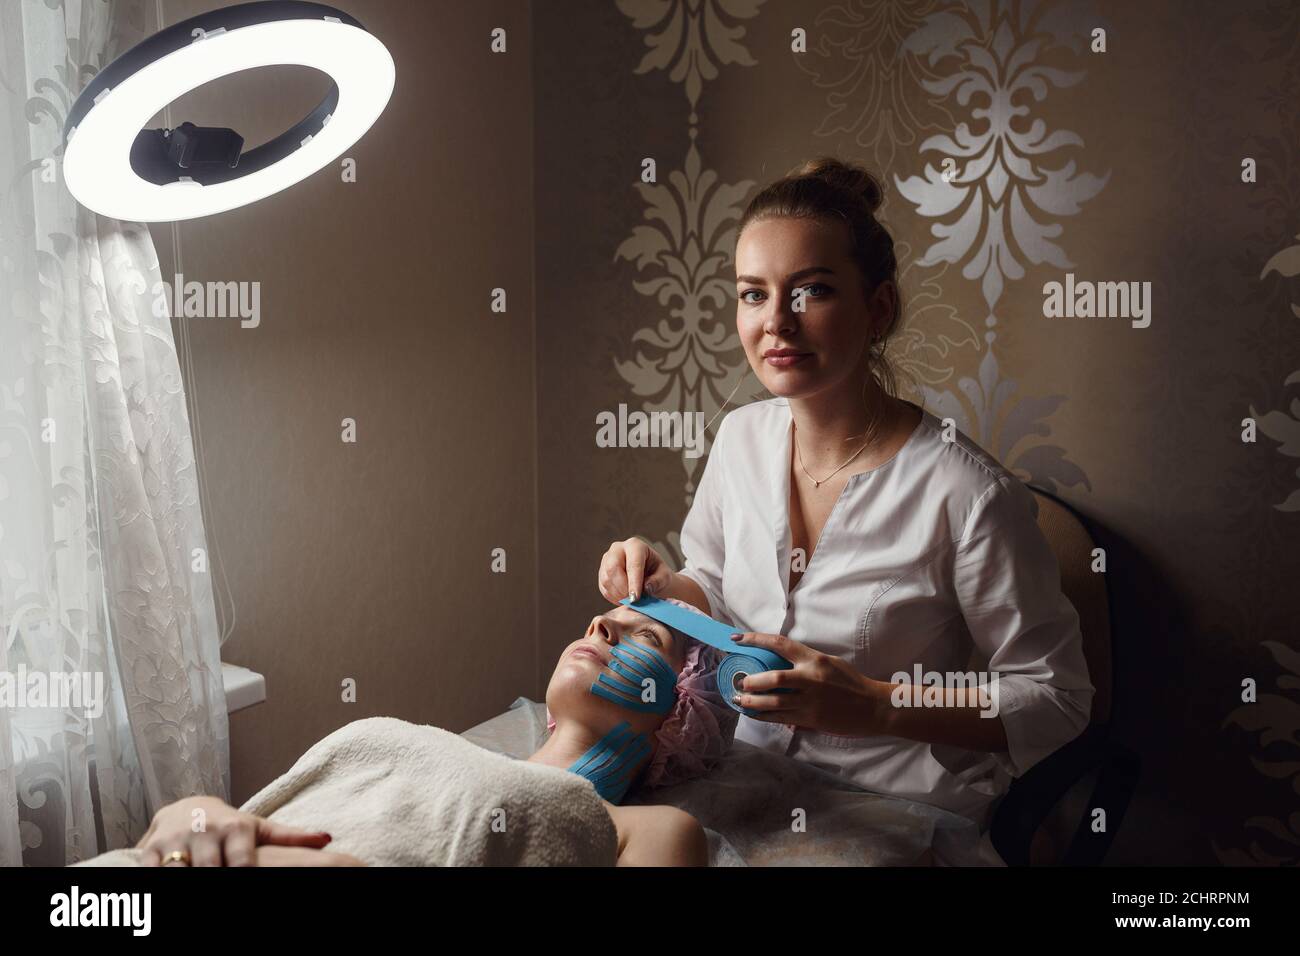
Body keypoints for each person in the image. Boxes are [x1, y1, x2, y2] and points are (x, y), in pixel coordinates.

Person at [598, 157, 1094, 857]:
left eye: (812, 291)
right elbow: (710, 593)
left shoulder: (967, 493)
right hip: (741, 774)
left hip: (894, 810)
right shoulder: (741, 438)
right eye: (751, 294)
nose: (776, 322)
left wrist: (875, 704)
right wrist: (660, 586)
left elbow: (1057, 698)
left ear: (879, 308)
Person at [135, 603, 730, 866]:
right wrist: (195, 813)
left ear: (679, 718)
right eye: (610, 617)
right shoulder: (436, 750)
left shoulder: (650, 830)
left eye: (648, 639)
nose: (601, 622)